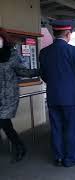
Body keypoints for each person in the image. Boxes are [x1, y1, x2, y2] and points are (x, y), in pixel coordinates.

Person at [39, 20, 75, 167]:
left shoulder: (44, 52)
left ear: (54, 33)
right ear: (68, 34)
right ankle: (71, 158)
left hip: (53, 97)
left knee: (56, 128)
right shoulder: (74, 51)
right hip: (71, 98)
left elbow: (43, 75)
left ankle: (58, 157)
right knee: (72, 128)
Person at [0, 28, 39, 162]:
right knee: (6, 125)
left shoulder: (12, 55)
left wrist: (42, 71)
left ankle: (20, 147)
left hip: (8, 97)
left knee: (3, 122)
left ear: (4, 39)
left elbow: (23, 72)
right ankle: (20, 147)